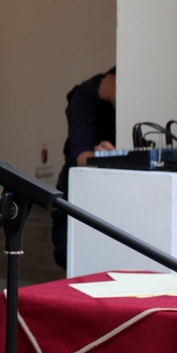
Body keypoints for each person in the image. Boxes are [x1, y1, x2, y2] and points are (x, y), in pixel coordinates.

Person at [51, 66, 116, 268]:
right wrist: (107, 157)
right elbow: (82, 156)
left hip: (115, 193)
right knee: (67, 252)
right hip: (78, 192)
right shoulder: (85, 97)